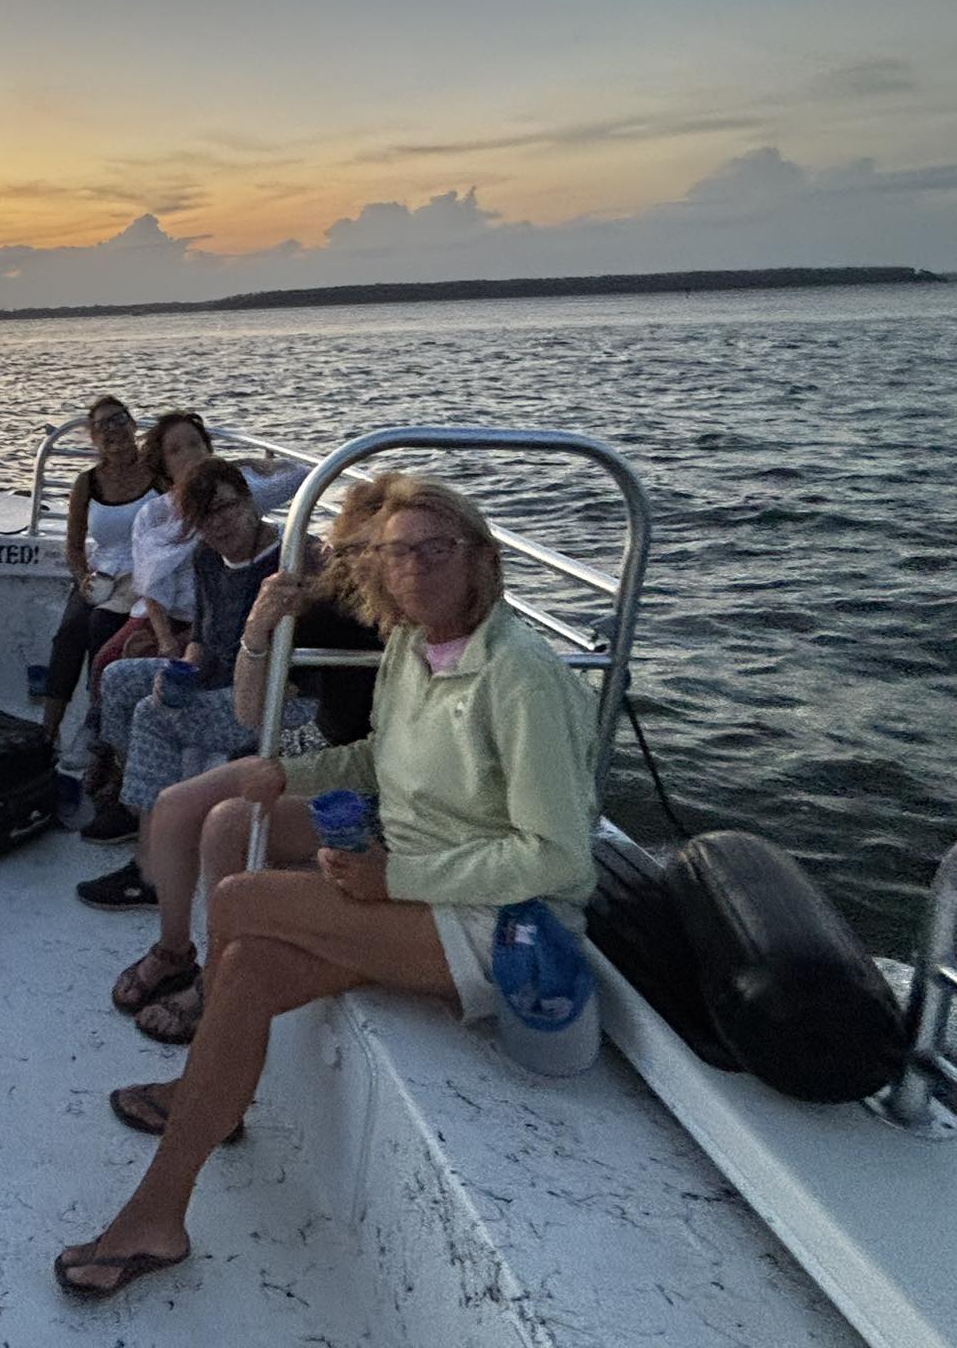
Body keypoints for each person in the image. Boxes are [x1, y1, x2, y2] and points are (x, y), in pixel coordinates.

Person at [53, 474, 600, 1299]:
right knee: (248, 970)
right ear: (374, 572)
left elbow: (558, 857)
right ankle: (165, 1204)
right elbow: (378, 760)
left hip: (497, 924)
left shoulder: (519, 677)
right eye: (395, 553)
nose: (414, 568)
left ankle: (205, 1096)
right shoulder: (411, 651)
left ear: (482, 561)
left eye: (436, 549)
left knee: (238, 902)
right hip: (419, 893)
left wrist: (396, 877)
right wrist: (286, 771)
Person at [89, 478, 386, 1043]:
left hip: (315, 735)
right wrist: (242, 637)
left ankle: (212, 972)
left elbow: (268, 712)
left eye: (389, 547)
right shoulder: (314, 597)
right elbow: (241, 689)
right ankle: (173, 946)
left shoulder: (345, 592)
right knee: (133, 697)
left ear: (252, 504)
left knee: (209, 798)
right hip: (299, 728)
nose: (380, 563)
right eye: (357, 550)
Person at [74, 458, 318, 864]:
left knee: (152, 716)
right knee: (118, 677)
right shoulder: (207, 557)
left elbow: (304, 664)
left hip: (278, 698)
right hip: (218, 677)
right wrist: (181, 670)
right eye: (204, 517)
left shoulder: (293, 559)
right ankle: (135, 803)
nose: (218, 524)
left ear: (250, 501)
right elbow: (203, 638)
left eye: (226, 508)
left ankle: (152, 866)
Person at [39, 395, 158, 751]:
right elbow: (74, 546)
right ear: (93, 438)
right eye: (102, 425)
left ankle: (98, 721)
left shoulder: (157, 474)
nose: (113, 430)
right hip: (103, 573)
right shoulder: (87, 483)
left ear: (134, 425)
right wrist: (82, 578)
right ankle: (49, 731)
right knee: (68, 634)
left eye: (119, 419)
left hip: (145, 571)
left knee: (100, 628)